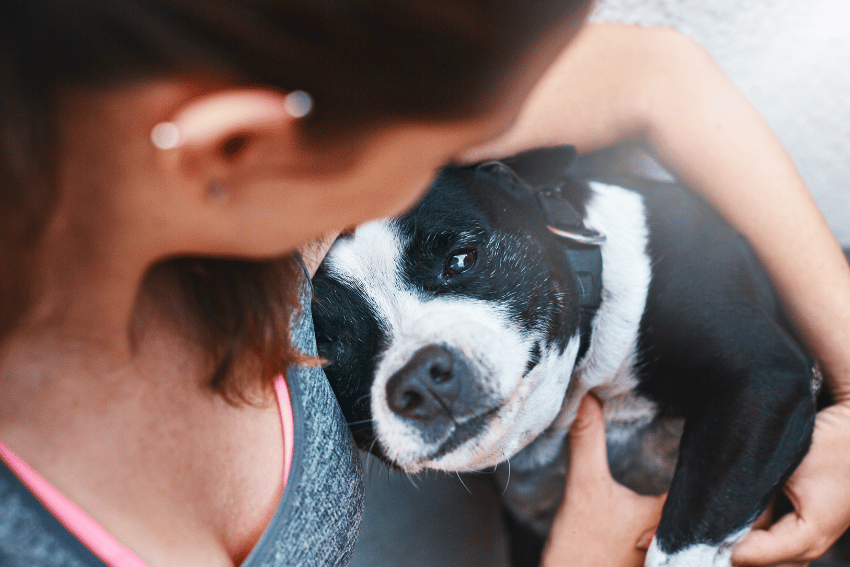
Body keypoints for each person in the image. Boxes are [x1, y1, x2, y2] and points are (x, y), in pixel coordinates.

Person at [0, 1, 848, 566]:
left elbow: (648, 75)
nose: (410, 192)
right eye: (422, 163)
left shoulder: (243, 193)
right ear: (241, 147)